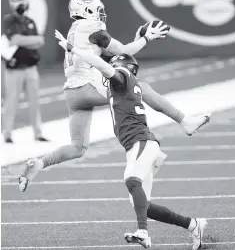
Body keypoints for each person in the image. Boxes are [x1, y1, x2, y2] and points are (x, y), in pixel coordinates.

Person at [18, 0, 210, 192]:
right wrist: (147, 38)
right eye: (98, 9)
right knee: (140, 88)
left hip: (72, 94)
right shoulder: (93, 27)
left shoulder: (76, 29)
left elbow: (114, 56)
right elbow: (124, 53)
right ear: (88, 9)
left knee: (77, 147)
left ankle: (39, 163)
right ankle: (184, 121)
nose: (101, 13)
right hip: (89, 85)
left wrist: (139, 38)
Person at [55, 36, 208, 250]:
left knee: (131, 178)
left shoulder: (123, 78)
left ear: (121, 67)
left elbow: (101, 66)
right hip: (139, 146)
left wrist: (73, 49)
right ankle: (193, 225)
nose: (108, 70)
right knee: (142, 204)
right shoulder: (129, 86)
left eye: (112, 66)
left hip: (141, 142)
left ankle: (143, 233)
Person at [2, 0, 48, 143]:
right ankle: (7, 134)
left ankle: (38, 133)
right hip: (14, 69)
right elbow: (14, 39)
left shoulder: (30, 22)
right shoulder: (9, 20)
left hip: (30, 67)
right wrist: (30, 40)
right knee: (11, 102)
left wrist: (24, 40)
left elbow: (40, 41)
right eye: (17, 3)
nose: (20, 6)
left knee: (35, 102)